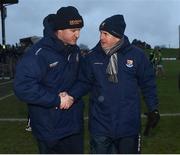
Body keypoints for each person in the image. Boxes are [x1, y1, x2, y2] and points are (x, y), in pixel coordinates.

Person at [61, 14, 160, 154]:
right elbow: (83, 82)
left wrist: (153, 108)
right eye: (100, 33)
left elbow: (148, 84)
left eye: (105, 34)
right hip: (100, 126)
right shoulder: (92, 57)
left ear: (117, 35)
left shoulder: (137, 56)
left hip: (128, 126)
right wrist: (70, 96)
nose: (101, 37)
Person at [14, 6, 84, 154]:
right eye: (73, 31)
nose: (77, 34)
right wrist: (56, 100)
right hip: (49, 129)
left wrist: (71, 96)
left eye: (79, 29)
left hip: (73, 126)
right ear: (59, 30)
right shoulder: (38, 54)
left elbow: (83, 79)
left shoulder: (75, 51)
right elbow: (23, 87)